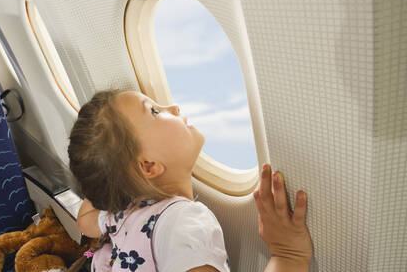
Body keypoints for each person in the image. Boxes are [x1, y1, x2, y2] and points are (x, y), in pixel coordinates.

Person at [68, 89, 312, 272]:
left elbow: (84, 221)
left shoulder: (126, 208)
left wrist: (110, 173)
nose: (173, 107)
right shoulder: (184, 224)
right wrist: (287, 255)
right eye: (154, 111)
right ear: (149, 166)